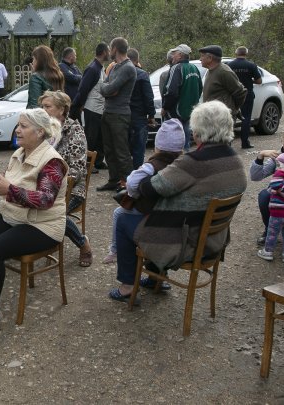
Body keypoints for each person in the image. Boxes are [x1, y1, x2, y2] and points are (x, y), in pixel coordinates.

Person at [108, 101, 247, 302]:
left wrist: (149, 170)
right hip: (214, 240)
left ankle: (127, 287)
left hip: (186, 242)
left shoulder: (195, 162)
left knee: (124, 220)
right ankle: (157, 278)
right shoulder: (235, 161)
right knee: (160, 217)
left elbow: (150, 188)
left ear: (198, 131)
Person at [0, 108, 68, 337]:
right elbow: (9, 185)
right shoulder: (20, 153)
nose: (17, 129)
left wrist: (10, 189)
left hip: (43, 225)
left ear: (39, 132)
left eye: (23, 126)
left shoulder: (52, 162)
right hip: (17, 216)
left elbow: (45, 200)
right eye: (18, 125)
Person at [103, 118, 184, 272]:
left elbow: (132, 182)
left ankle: (115, 251)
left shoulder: (151, 166)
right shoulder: (181, 165)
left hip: (149, 212)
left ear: (157, 146)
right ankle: (158, 277)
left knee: (119, 213)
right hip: (170, 215)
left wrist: (133, 195)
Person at [38, 91, 93, 267]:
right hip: (43, 185)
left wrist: (53, 184)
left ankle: (83, 244)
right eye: (42, 106)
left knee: (53, 211)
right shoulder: (43, 130)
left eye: (47, 106)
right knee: (20, 201)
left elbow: (77, 169)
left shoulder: (74, 131)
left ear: (62, 109)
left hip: (71, 188)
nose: (43, 110)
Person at [97, 37, 136, 192]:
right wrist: (109, 89)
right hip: (108, 112)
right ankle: (113, 181)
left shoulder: (128, 68)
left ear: (115, 49)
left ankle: (128, 184)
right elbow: (105, 88)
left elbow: (108, 89)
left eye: (110, 48)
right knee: (109, 150)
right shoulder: (113, 67)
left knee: (121, 152)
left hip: (120, 115)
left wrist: (109, 89)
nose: (108, 51)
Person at [70, 43, 110, 172]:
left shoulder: (100, 68)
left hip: (100, 108)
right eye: (108, 51)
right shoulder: (92, 68)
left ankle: (97, 160)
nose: (109, 53)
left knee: (100, 136)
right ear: (104, 52)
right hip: (92, 108)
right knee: (91, 136)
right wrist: (77, 105)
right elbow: (83, 89)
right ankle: (87, 163)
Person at [163, 44, 202, 150]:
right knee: (186, 139)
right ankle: (186, 161)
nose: (173, 56)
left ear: (180, 55)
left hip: (177, 112)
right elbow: (200, 88)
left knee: (175, 142)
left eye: (174, 54)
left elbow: (171, 91)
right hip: (190, 111)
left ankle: (178, 163)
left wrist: (165, 107)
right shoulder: (194, 68)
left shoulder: (176, 68)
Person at [227, 46, 262, 149]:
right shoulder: (251, 65)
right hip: (247, 94)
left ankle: (228, 143)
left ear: (235, 53)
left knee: (230, 118)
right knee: (246, 118)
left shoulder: (229, 65)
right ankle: (245, 142)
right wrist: (250, 80)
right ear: (246, 53)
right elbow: (259, 81)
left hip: (233, 95)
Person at [126, 48, 156, 169]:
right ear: (137, 60)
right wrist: (152, 115)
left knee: (125, 148)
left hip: (123, 115)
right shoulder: (142, 74)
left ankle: (124, 174)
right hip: (139, 116)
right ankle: (137, 173)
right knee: (139, 148)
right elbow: (148, 97)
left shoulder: (119, 72)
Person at [199, 45, 247, 118]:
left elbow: (240, 92)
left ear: (210, 58)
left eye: (202, 56)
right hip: (212, 115)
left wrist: (234, 109)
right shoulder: (210, 70)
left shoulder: (224, 72)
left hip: (222, 117)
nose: (200, 59)